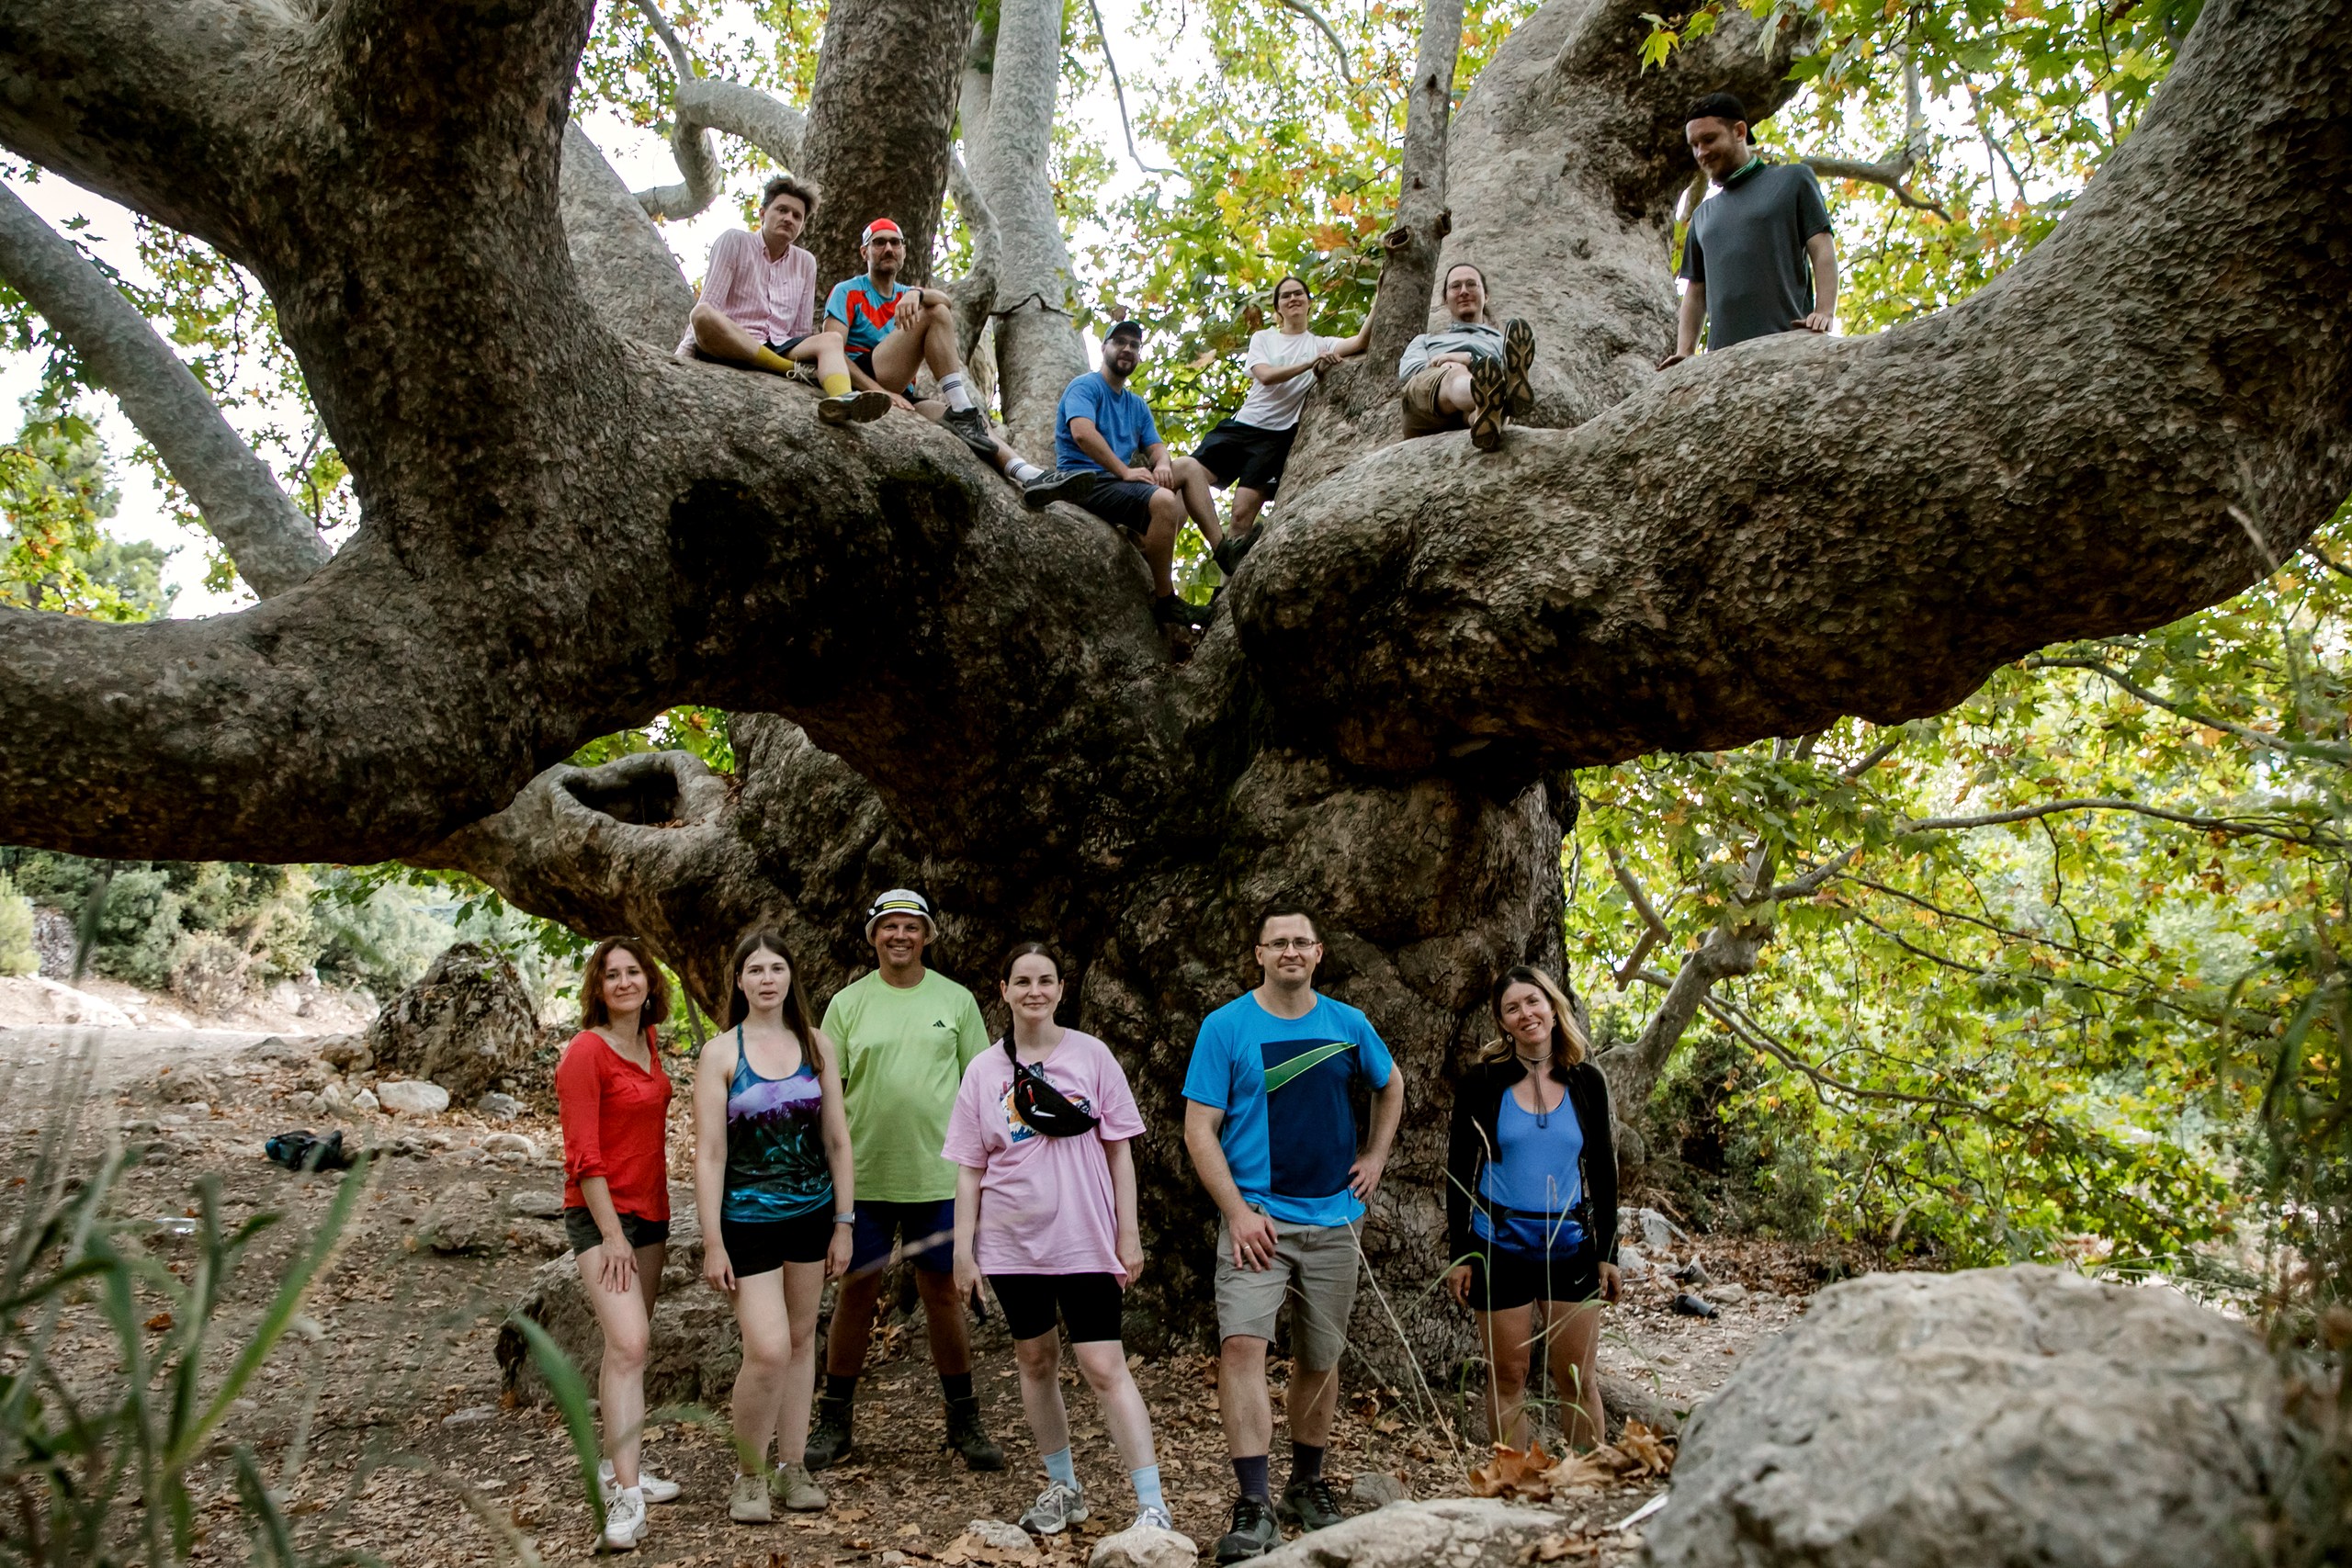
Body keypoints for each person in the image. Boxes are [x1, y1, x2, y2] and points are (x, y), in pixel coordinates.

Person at [1182, 907, 1405, 1561]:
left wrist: (1377, 1157)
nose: (1289, 950)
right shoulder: (1225, 1026)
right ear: (1258, 953)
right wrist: (1237, 1212)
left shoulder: (1348, 1023)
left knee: (1320, 1358)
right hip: (1257, 1221)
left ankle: (1306, 1484)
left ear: (1318, 952)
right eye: (1277, 941)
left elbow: (1390, 1087)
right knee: (1243, 1348)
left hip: (1334, 1221)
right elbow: (1200, 1128)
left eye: (1300, 941)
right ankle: (1252, 1503)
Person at [945, 943, 1171, 1535]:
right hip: (1012, 1244)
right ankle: (1062, 1487)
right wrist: (962, 1252)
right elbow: (970, 1168)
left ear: (1061, 989)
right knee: (1034, 1358)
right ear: (1003, 990)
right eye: (1022, 981)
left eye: (1045, 980)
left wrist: (1129, 1234)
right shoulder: (983, 1071)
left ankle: (1151, 1501)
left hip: (1085, 1238)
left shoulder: (1092, 1056)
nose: (1034, 991)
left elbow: (1120, 1149)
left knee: (1103, 1364)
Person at [806, 889, 1006, 1472]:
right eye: (889, 926)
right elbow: (829, 1095)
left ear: (927, 935)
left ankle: (963, 1419)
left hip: (940, 1176)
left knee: (942, 1293)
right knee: (856, 1292)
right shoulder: (846, 1005)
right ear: (873, 937)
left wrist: (990, 1169)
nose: (900, 935)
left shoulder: (957, 1000)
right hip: (864, 1176)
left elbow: (983, 1084)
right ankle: (834, 1420)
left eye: (911, 926)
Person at [693, 931, 856, 1522]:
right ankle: (748, 1474)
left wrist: (845, 1221)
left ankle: (793, 1467)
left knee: (798, 1340)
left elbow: (837, 1139)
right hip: (747, 1220)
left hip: (812, 1216)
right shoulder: (720, 1054)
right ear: (739, 982)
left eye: (777, 968)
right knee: (765, 1350)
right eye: (755, 969)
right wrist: (712, 1240)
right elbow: (709, 1154)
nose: (767, 978)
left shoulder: (817, 1045)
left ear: (792, 977)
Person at [1444, 966, 1622, 1454]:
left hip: (1570, 1245)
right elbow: (1459, 1171)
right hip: (1499, 1245)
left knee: (1577, 1378)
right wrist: (1461, 1253)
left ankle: (1590, 1483)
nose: (1526, 1014)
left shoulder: (1587, 1081)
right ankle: (1514, 1488)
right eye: (1512, 1008)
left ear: (1551, 1005)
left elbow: (1603, 1172)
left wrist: (1608, 1252)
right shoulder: (1482, 1083)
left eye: (1533, 1002)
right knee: (1509, 1376)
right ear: (1503, 1023)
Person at [556, 937, 680, 1554]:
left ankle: (616, 1463)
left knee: (622, 1347)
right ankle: (624, 1498)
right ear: (598, 987)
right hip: (602, 1219)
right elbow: (583, 1155)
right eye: (612, 974)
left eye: (634, 971)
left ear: (650, 983)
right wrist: (609, 1234)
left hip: (652, 1213)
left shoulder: (651, 1044)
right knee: (631, 1343)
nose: (625, 981)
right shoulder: (585, 1051)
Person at [823, 220, 1085, 500]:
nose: (888, 248)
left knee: (971, 423)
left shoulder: (906, 295)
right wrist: (878, 391)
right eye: (879, 242)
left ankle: (1029, 475)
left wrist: (917, 292)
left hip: (902, 392)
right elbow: (833, 348)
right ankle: (962, 407)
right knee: (934, 313)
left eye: (894, 242)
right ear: (865, 252)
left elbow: (945, 300)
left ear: (904, 251)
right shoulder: (847, 291)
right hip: (865, 376)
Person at [1046, 320, 1231, 628]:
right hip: (1083, 481)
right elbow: (1082, 434)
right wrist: (1125, 471)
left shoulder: (1136, 404)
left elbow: (1157, 447)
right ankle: (1165, 600)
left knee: (1187, 466)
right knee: (1163, 501)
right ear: (1104, 348)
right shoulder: (1086, 386)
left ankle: (1223, 550)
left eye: (1134, 345)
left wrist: (1160, 463)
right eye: (1120, 342)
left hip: (1116, 483)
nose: (1127, 349)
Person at [680, 175, 888, 425]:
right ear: (762, 213)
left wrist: (813, 353)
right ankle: (783, 369)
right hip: (731, 339)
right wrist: (682, 356)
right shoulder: (734, 240)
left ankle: (844, 398)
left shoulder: (806, 262)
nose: (789, 218)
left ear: (802, 226)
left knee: (830, 339)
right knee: (702, 313)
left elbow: (800, 330)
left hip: (779, 344)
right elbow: (710, 302)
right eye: (782, 210)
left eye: (797, 216)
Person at [1191, 276, 1368, 568]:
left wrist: (1387, 282)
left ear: (1309, 302)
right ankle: (1209, 546)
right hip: (1242, 426)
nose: (1293, 299)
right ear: (1278, 309)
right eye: (1286, 296)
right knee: (1185, 472)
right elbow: (1265, 375)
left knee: (1241, 517)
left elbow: (1362, 340)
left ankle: (1223, 593)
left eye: (1299, 293)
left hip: (1274, 440)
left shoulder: (1322, 343)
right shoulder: (1264, 338)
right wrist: (1310, 364)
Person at [1658, 92, 1838, 368]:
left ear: (1739, 131)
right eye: (1694, 145)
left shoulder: (1793, 180)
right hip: (1722, 362)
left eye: (1709, 139)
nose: (1701, 153)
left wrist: (1824, 312)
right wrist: (1685, 352)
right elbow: (1695, 291)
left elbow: (1822, 247)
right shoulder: (1702, 215)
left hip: (1789, 346)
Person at [1396, 263, 1534, 452]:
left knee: (1483, 407)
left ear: (1486, 296)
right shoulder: (1426, 340)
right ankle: (1497, 397)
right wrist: (1447, 364)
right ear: (1445, 299)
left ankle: (1483, 420)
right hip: (1426, 411)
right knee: (1458, 372)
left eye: (1471, 284)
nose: (1463, 291)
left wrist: (1470, 359)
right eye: (1455, 286)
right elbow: (1407, 372)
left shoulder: (1504, 343)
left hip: (1469, 412)